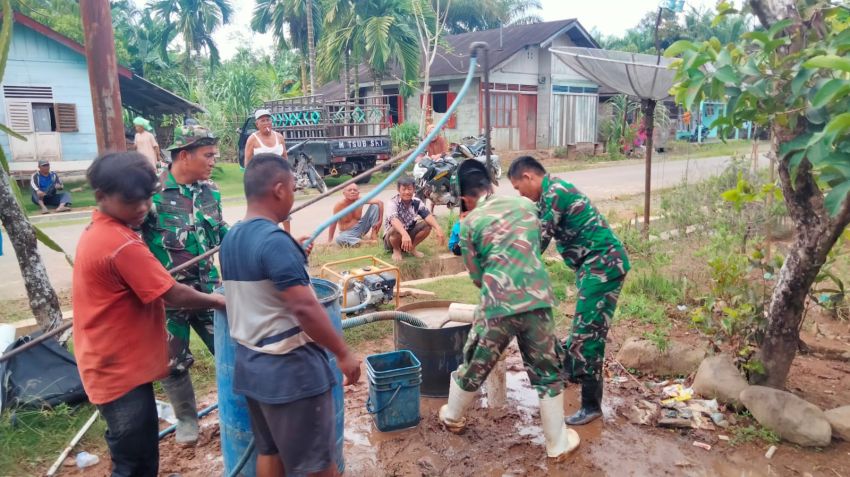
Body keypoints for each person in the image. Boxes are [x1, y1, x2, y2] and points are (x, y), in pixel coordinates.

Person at [73, 151, 226, 476]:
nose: (142, 208)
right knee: (135, 462)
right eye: (132, 202)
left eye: (146, 199)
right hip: (119, 374)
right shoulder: (120, 243)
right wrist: (220, 301)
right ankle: (187, 421)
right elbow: (171, 291)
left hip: (111, 364)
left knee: (131, 452)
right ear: (102, 196)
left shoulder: (104, 228)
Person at [220, 153, 361, 477]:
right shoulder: (274, 241)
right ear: (280, 189)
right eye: (294, 188)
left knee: (270, 452)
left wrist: (291, 251)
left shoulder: (232, 239)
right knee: (317, 466)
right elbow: (304, 307)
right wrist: (342, 353)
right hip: (289, 372)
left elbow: (262, 285)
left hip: (252, 365)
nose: (294, 195)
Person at [438, 159, 580, 461]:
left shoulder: (468, 224)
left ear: (464, 198)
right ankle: (557, 443)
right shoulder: (527, 208)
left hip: (497, 306)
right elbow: (536, 245)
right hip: (537, 302)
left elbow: (477, 277)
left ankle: (452, 416)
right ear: (491, 184)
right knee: (546, 370)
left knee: (475, 361)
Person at [508, 156, 630, 426]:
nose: (520, 194)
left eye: (518, 187)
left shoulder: (554, 193)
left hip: (604, 265)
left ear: (528, 177)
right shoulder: (551, 193)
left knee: (589, 334)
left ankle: (591, 405)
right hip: (593, 267)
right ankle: (570, 371)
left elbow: (538, 240)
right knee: (580, 331)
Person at [141, 123, 228, 446]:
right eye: (207, 155)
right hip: (168, 298)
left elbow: (221, 232)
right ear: (184, 155)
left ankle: (238, 406)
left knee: (230, 349)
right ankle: (187, 419)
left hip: (209, 293)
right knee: (171, 362)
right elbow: (133, 243)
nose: (212, 161)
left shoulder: (210, 190)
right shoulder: (152, 194)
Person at [244, 108, 291, 233]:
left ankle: (288, 235)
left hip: (279, 179)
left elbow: (285, 158)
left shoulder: (279, 137)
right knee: (265, 209)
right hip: (261, 181)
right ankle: (268, 234)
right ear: (257, 124)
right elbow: (247, 162)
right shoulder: (252, 139)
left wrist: (289, 177)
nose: (266, 123)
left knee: (284, 208)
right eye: (262, 121)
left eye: (268, 120)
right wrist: (249, 182)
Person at [383, 176, 445, 262]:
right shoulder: (392, 202)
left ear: (414, 189)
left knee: (427, 225)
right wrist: (404, 234)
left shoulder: (417, 202)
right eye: (404, 189)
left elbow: (427, 215)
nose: (407, 192)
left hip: (408, 234)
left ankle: (411, 248)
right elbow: (393, 220)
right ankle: (396, 250)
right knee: (396, 228)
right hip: (391, 239)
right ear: (398, 190)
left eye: (409, 189)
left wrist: (438, 228)